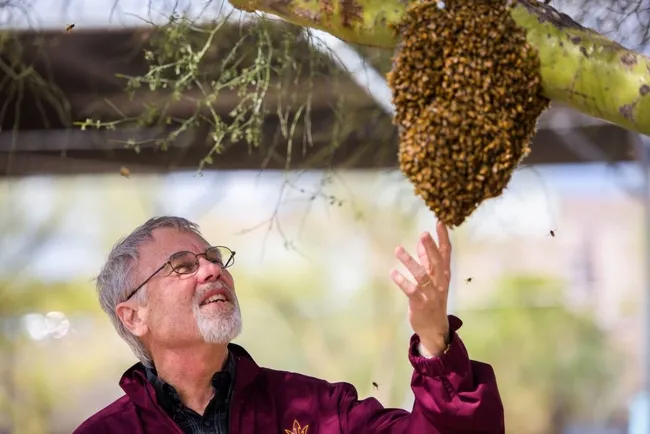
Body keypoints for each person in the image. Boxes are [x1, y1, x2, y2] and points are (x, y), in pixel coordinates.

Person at [73, 216, 504, 434]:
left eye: (214, 259)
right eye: (182, 266)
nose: (211, 271)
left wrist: (435, 340)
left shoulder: (319, 409)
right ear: (134, 315)